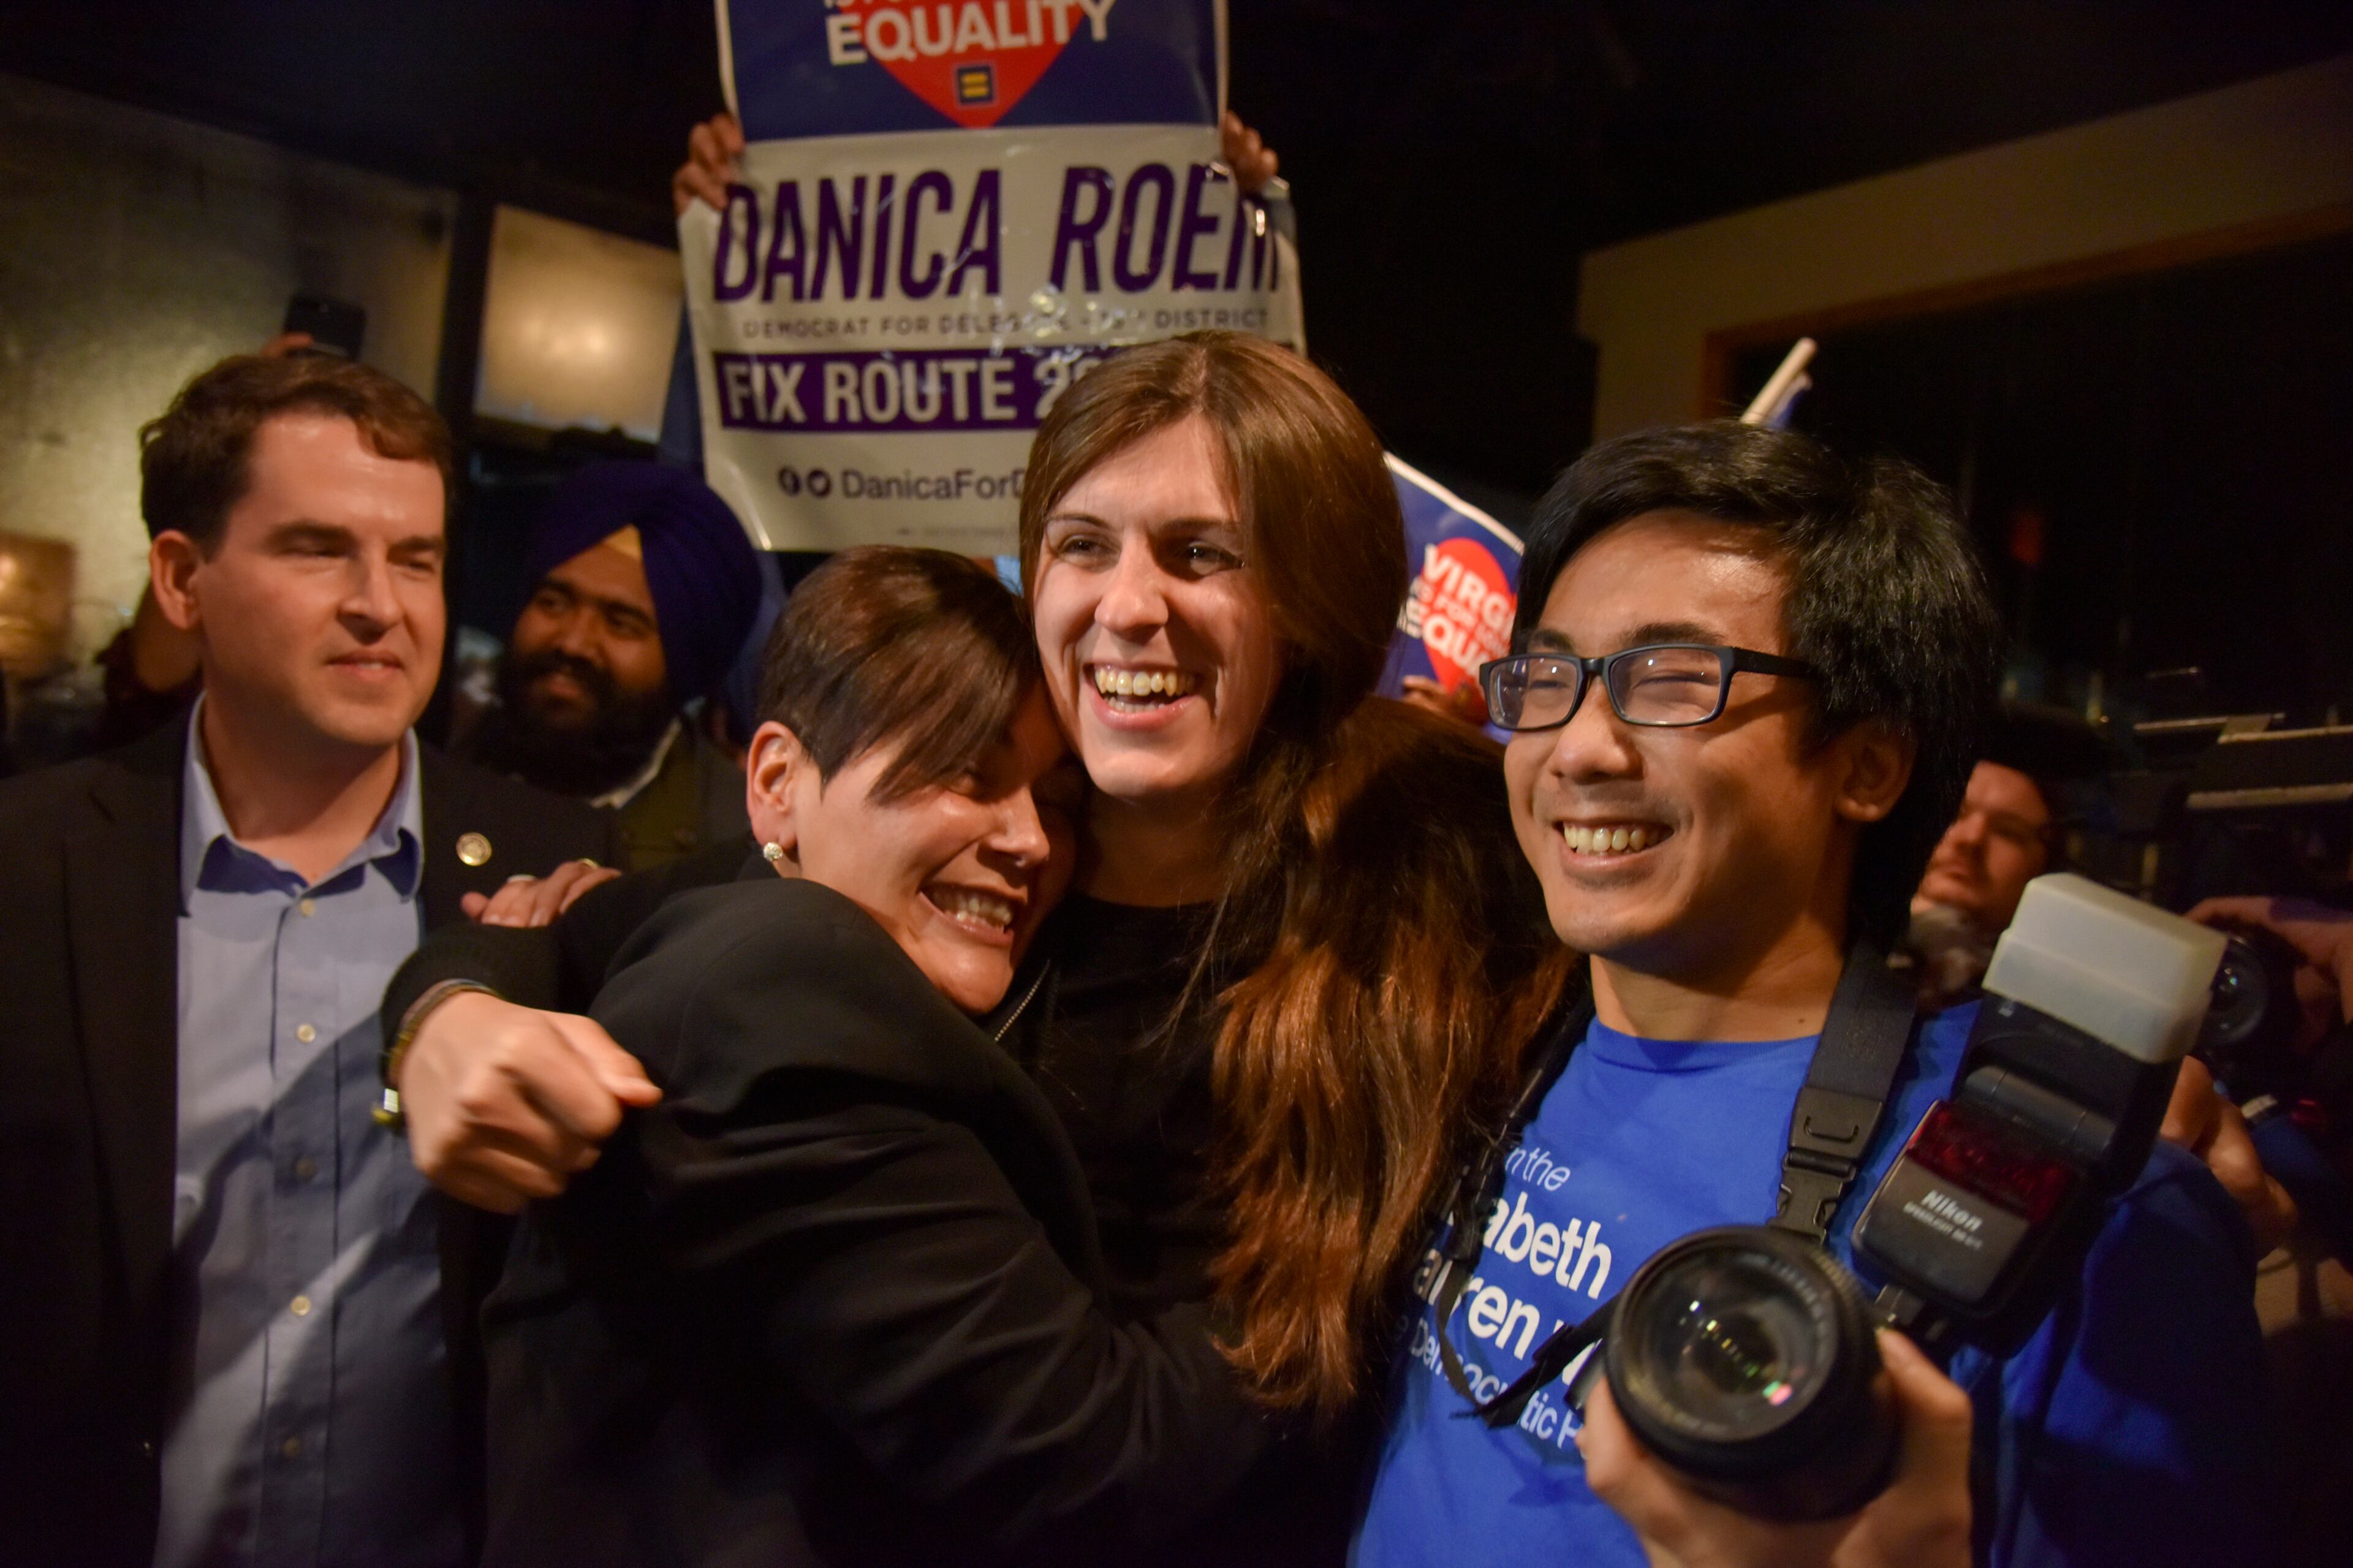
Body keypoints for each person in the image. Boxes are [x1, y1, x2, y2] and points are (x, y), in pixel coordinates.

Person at [381, 331, 1568, 1564]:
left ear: (1311, 609)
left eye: (1201, 552)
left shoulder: (1420, 880)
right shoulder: (980, 855)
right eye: (1081, 544)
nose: (1127, 603)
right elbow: (603, 930)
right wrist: (442, 1017)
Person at [1351, 422, 2272, 1568]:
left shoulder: (2072, 1205)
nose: (1581, 746)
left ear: (1869, 765)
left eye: (1671, 677)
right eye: (1549, 676)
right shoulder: (1464, 1042)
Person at [0, 353, 615, 1568]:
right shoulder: (32, 868)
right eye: (320, 548)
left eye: (418, 559)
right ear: (182, 578)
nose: (380, 602)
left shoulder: (563, 868)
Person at [455, 461, 761, 869]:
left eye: (621, 624)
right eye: (554, 602)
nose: (573, 642)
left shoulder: (734, 843)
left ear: (685, 661)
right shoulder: (430, 775)